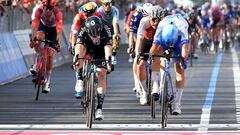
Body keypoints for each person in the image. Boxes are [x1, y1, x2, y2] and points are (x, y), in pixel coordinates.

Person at [73, 15, 112, 120]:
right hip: (87, 46)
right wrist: (77, 58)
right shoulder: (83, 28)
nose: (96, 37)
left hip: (100, 49)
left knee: (102, 74)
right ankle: (80, 79)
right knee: (79, 54)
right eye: (93, 35)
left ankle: (99, 108)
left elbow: (108, 47)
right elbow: (78, 45)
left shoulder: (106, 28)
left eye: (98, 34)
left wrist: (109, 62)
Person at [150, 13, 189, 115]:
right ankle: (156, 86)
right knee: (156, 56)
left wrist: (183, 60)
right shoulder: (161, 27)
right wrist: (151, 57)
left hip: (178, 41)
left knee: (180, 68)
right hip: (165, 36)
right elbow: (153, 48)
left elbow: (185, 48)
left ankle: (177, 104)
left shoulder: (182, 28)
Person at [69, 2, 102, 98]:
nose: (88, 16)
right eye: (86, 15)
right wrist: (73, 47)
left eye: (90, 14)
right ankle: (79, 80)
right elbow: (74, 34)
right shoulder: (78, 17)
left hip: (94, 37)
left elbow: (103, 30)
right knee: (78, 55)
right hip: (81, 36)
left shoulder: (98, 16)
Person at [29, 0, 63, 93]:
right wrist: (32, 39)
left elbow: (59, 31)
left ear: (53, 8)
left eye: (50, 9)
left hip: (53, 31)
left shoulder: (58, 13)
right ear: (43, 7)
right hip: (42, 27)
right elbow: (34, 27)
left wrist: (58, 43)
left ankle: (47, 81)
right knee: (38, 38)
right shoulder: (38, 11)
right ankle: (36, 64)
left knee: (50, 55)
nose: (48, 11)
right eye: (46, 9)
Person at [135, 5, 164, 105]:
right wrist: (137, 53)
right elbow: (139, 38)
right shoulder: (144, 21)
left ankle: (156, 85)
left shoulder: (164, 23)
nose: (156, 23)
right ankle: (144, 92)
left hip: (158, 42)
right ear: (149, 17)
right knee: (140, 66)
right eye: (154, 20)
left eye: (159, 20)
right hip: (146, 42)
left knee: (157, 60)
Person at [98, 0, 121, 65]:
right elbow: (99, 23)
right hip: (103, 26)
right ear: (102, 5)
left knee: (117, 37)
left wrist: (116, 34)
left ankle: (113, 55)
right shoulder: (99, 11)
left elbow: (115, 22)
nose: (107, 6)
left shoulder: (115, 10)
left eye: (109, 4)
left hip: (112, 25)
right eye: (105, 4)